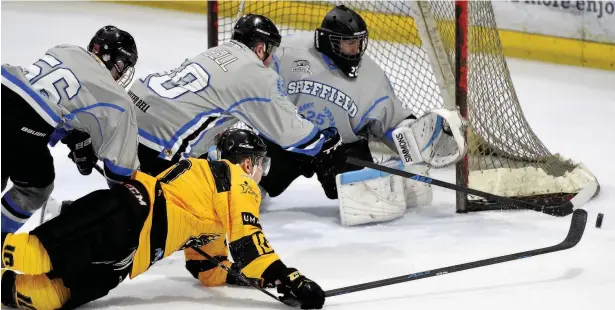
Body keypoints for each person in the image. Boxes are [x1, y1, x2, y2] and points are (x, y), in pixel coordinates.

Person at [0, 128, 326, 310]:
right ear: (246, 164)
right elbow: (249, 243)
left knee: (48, 295)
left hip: (130, 249)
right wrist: (290, 278)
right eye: (260, 164)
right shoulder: (236, 179)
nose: (260, 174)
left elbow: (208, 269)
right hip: (132, 214)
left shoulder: (209, 198)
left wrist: (245, 276)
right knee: (39, 255)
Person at [260, 5, 467, 225]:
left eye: (359, 43)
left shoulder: (372, 77)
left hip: (339, 150)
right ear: (328, 40)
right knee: (248, 180)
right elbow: (249, 83)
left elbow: (391, 121)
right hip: (288, 142)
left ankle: (401, 181)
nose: (356, 49)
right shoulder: (287, 52)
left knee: (369, 198)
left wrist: (416, 143)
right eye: (349, 43)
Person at [128, 14, 341, 178]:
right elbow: (290, 133)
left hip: (131, 114)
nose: (270, 59)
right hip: (160, 139)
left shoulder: (214, 52)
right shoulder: (256, 73)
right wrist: (321, 142)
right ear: (260, 48)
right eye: (271, 50)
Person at [1, 25, 140, 236]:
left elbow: (51, 98)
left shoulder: (65, 49)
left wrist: (76, 138)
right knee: (35, 188)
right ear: (118, 62)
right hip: (23, 121)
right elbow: (120, 172)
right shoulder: (116, 98)